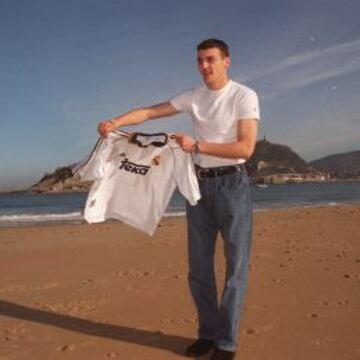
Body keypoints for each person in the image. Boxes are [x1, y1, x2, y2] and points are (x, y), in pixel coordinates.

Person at [98, 38, 260, 360]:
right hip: (197, 188)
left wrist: (197, 146)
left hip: (233, 186)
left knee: (234, 270)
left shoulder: (244, 95)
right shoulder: (194, 97)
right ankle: (207, 334)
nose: (204, 66)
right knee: (199, 269)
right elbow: (149, 111)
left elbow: (245, 148)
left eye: (211, 59)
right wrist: (114, 123)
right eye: (200, 60)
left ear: (227, 61)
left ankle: (226, 344)